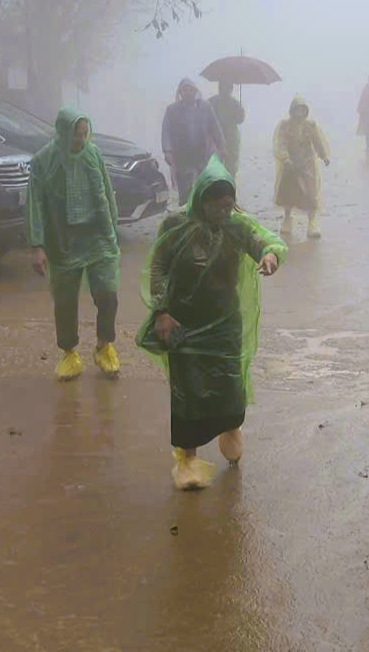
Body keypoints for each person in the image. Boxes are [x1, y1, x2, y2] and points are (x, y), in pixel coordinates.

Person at [137, 159, 286, 490]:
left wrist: (270, 255)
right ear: (201, 197)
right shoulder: (177, 226)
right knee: (187, 392)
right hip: (184, 323)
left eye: (228, 200)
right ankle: (187, 459)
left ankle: (230, 431)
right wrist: (161, 311)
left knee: (229, 384)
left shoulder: (236, 226)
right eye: (216, 199)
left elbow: (263, 241)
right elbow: (159, 266)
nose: (223, 206)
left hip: (224, 323)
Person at [27, 107, 122, 381]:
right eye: (75, 134)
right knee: (65, 300)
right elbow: (35, 203)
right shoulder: (44, 161)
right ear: (63, 132)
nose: (80, 140)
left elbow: (106, 190)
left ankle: (104, 346)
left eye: (84, 133)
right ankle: (69, 353)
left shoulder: (93, 154)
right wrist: (37, 246)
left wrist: (112, 230)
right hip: (62, 239)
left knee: (107, 293)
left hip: (97, 236)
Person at [272, 95, 331, 239]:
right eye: (297, 110)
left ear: (306, 112)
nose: (300, 113)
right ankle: (287, 219)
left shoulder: (311, 126)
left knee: (311, 193)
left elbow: (318, 142)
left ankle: (312, 223)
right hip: (290, 165)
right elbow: (280, 143)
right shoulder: (285, 125)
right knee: (288, 194)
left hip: (307, 165)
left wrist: (324, 156)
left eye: (302, 110)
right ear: (292, 111)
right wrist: (285, 158)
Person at [162, 78, 226, 198]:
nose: (188, 92)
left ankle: (201, 213)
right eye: (185, 90)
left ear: (195, 91)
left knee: (204, 190)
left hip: (203, 156)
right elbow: (166, 132)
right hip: (182, 158)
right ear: (180, 93)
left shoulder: (205, 107)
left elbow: (215, 128)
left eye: (191, 89)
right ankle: (185, 211)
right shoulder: (172, 110)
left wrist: (222, 147)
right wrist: (167, 151)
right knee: (185, 192)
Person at [207, 81, 246, 177]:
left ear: (231, 89)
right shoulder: (211, 102)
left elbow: (240, 120)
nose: (224, 90)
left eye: (227, 88)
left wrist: (241, 112)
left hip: (231, 139)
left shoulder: (235, 104)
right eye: (222, 87)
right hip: (215, 140)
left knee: (231, 169)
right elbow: (205, 118)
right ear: (219, 88)